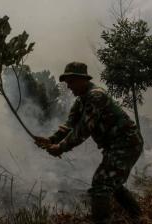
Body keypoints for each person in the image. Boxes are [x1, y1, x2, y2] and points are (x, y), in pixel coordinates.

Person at [34, 62, 143, 224]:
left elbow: (83, 129)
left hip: (127, 144)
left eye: (71, 82)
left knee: (101, 185)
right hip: (117, 145)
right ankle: (138, 217)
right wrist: (51, 140)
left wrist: (60, 148)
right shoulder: (81, 101)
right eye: (67, 82)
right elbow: (70, 124)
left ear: (82, 80)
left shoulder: (96, 96)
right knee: (113, 184)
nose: (69, 86)